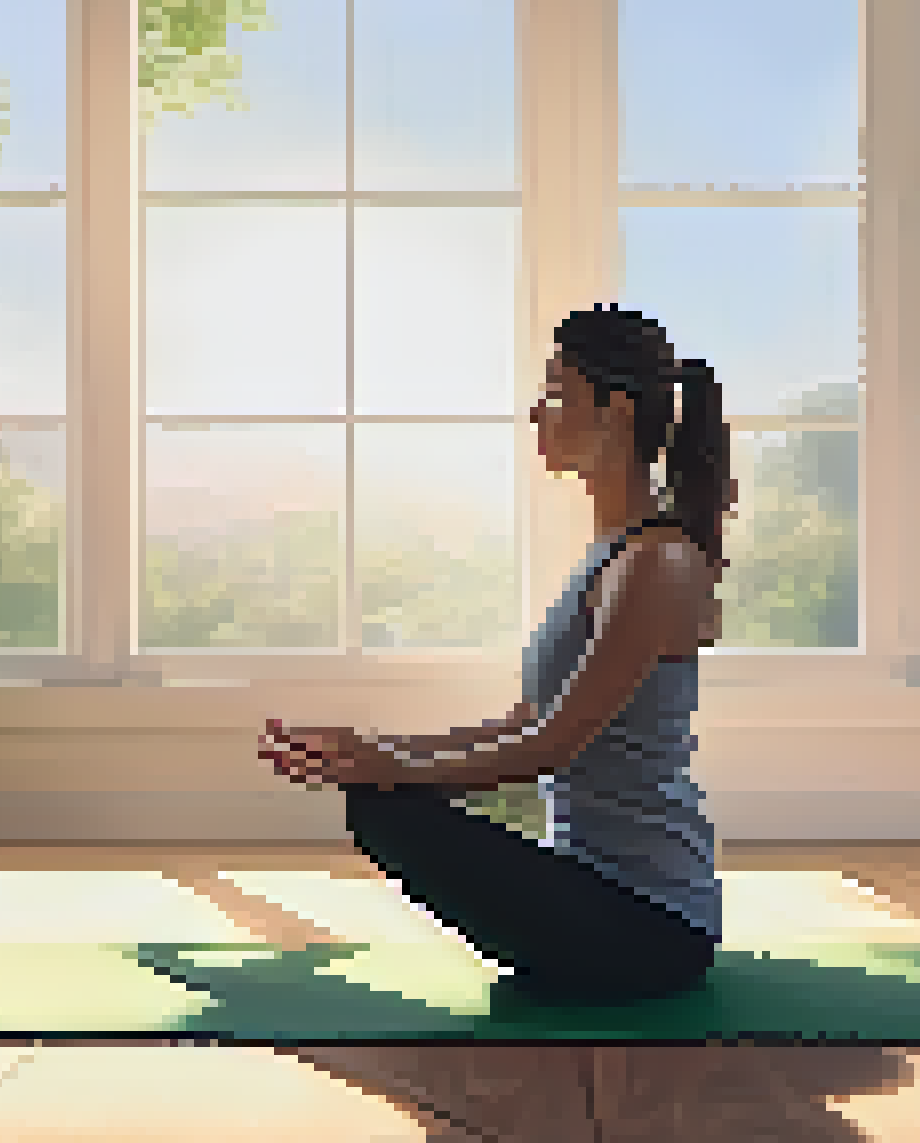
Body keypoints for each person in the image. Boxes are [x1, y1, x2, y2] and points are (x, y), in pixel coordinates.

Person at [258, 304, 735, 1005]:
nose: (537, 413)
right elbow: (524, 720)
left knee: (385, 809)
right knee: (384, 796)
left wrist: (394, 770)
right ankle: (560, 947)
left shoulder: (655, 565)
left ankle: (577, 956)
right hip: (594, 889)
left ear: (617, 412)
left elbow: (550, 748)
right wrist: (376, 750)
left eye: (558, 392)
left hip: (652, 925)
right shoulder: (612, 557)